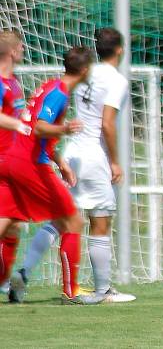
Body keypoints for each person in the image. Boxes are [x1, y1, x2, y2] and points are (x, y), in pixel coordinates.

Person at [12, 29, 135, 304]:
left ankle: (25, 271)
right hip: (93, 155)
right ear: (119, 50)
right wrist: (115, 160)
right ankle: (103, 291)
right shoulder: (115, 80)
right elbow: (106, 123)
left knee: (60, 220)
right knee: (100, 221)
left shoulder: (84, 75)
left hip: (73, 151)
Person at [0, 46, 97, 305]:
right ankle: (71, 291)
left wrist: (61, 162)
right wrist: (65, 128)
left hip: (12, 159)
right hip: (29, 165)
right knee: (72, 221)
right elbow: (41, 127)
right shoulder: (59, 93)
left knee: (6, 222)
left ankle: (20, 277)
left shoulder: (49, 85)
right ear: (85, 70)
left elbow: (33, 127)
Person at [0, 31, 31, 298]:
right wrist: (20, 125)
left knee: (14, 226)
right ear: (12, 51)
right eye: (21, 46)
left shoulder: (15, 82)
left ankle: (3, 282)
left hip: (13, 162)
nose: (24, 49)